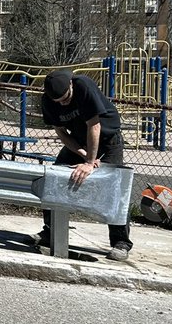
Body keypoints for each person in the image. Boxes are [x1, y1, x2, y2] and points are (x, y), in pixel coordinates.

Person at [37, 68, 133, 261]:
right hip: (79, 141)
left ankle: (121, 242)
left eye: (66, 98)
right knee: (54, 179)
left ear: (71, 85)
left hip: (107, 139)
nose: (63, 103)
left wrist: (90, 162)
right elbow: (62, 133)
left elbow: (94, 125)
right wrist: (82, 154)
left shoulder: (83, 86)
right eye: (59, 102)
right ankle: (50, 230)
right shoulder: (48, 101)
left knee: (114, 189)